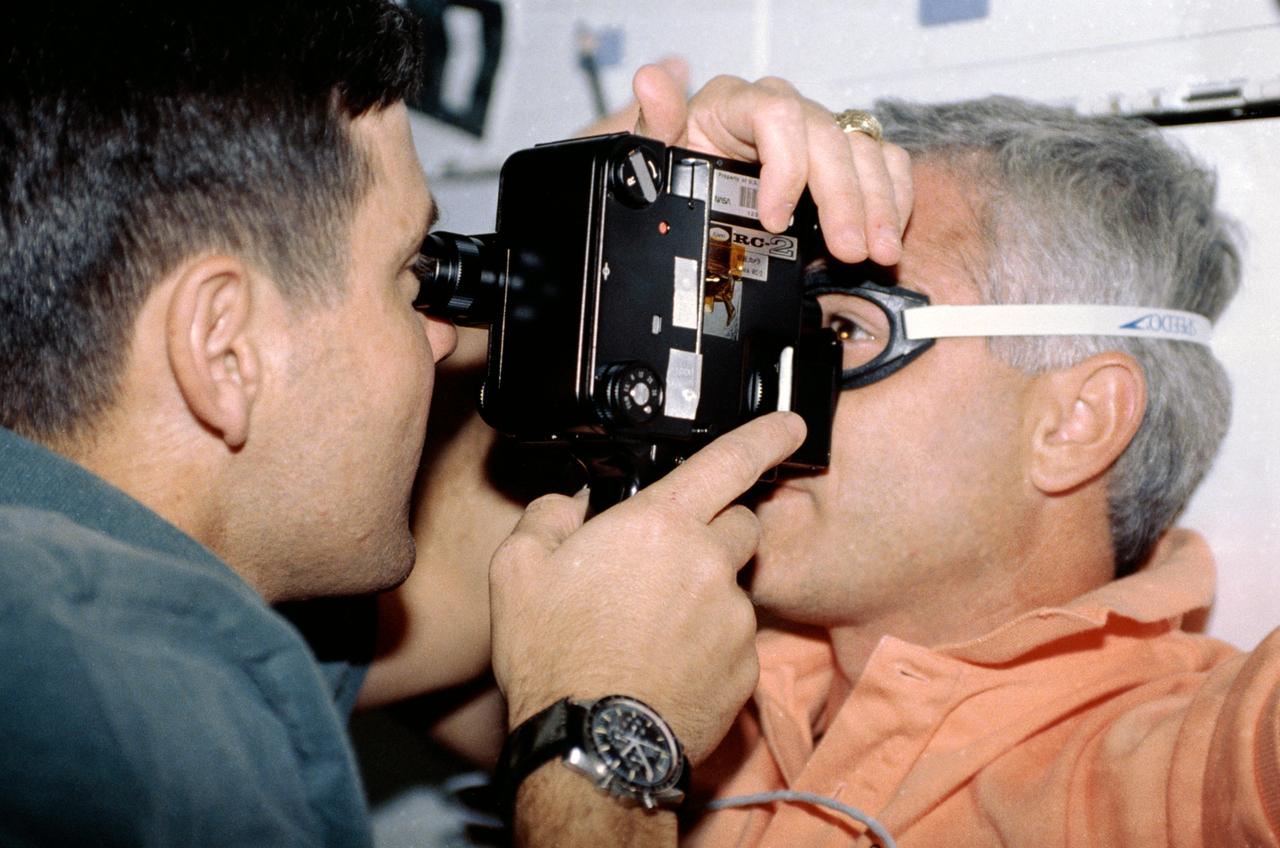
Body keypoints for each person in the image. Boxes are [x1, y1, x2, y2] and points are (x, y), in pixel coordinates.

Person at [0, 2, 912, 846]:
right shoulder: (104, 706)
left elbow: (458, 587)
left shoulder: (109, 598)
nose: (443, 339)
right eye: (409, 278)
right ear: (224, 348)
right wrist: (605, 740)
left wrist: (627, 269)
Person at [676, 98, 1280, 846]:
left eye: (845, 329)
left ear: (1076, 422)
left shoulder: (1181, 778)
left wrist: (601, 749)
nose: (765, 384)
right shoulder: (705, 672)